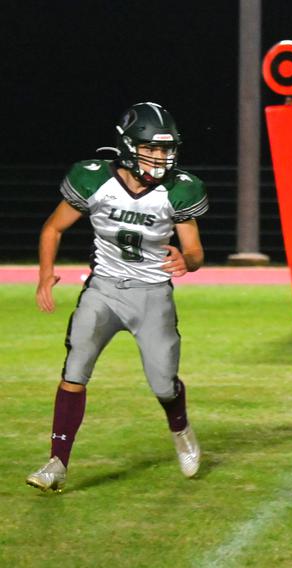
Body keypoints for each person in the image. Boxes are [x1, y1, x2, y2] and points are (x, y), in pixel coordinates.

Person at [27, 102, 207, 492]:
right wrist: (45, 275)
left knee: (163, 383)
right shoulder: (94, 179)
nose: (161, 157)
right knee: (75, 369)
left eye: (166, 149)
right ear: (128, 145)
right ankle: (57, 462)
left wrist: (186, 260)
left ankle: (181, 429)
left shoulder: (179, 189)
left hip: (152, 294)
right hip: (104, 289)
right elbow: (52, 229)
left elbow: (195, 251)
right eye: (153, 148)